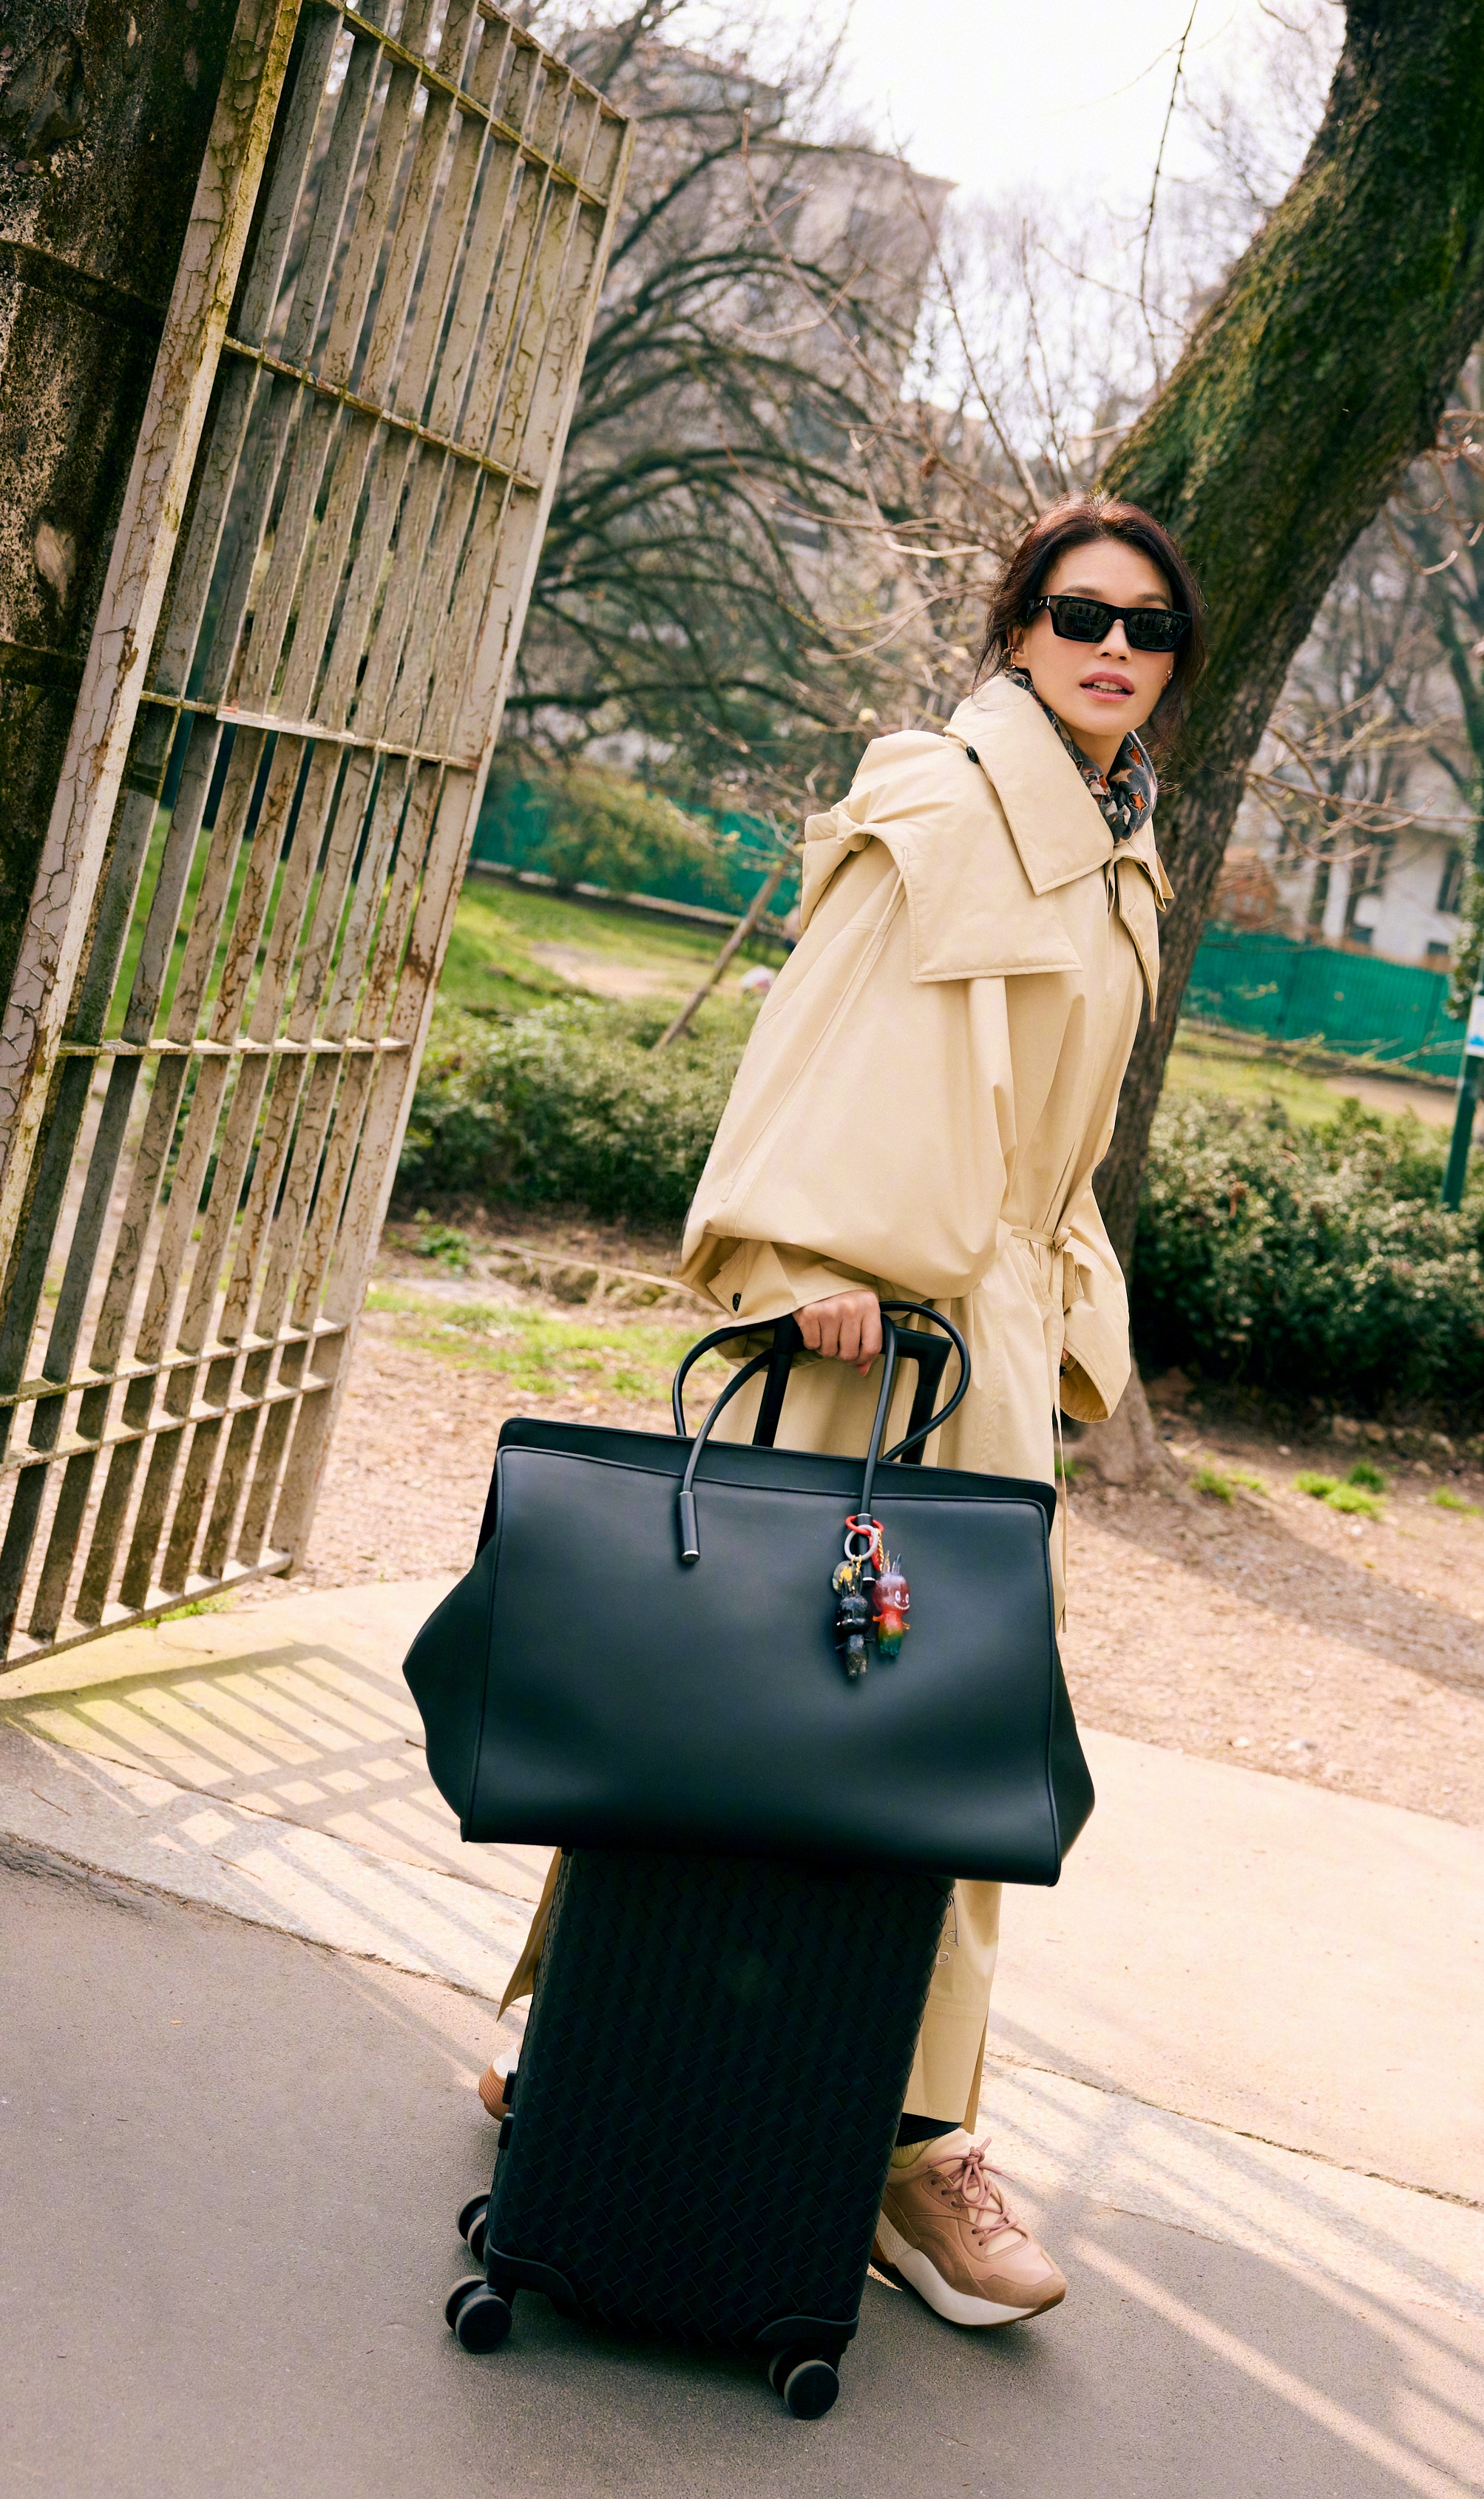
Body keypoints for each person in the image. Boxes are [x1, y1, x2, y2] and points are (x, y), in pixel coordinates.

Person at [480, 493, 1205, 2330]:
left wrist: (1064, 1319)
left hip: (988, 1349)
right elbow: (814, 1039)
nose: (1112, 648)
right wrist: (801, 1254)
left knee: (904, 1731)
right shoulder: (943, 803)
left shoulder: (1120, 851)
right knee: (760, 1709)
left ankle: (835, 2110)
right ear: (1017, 626)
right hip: (861, 1336)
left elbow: (1064, 1143)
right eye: (1077, 613)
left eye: (1146, 627)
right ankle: (780, 2095)